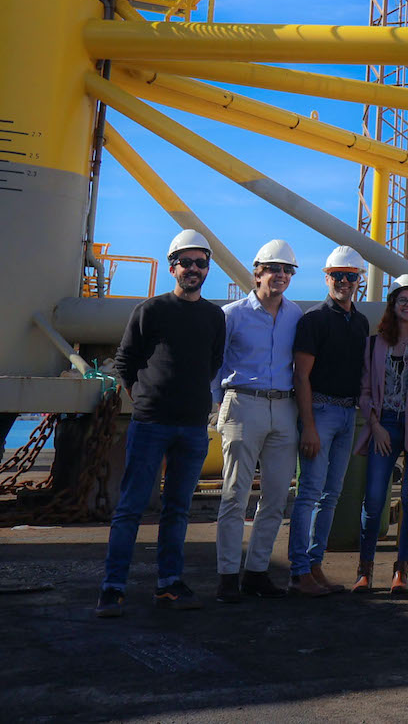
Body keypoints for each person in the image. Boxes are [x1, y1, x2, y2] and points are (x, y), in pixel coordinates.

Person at [96, 230, 227, 618]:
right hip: (151, 422)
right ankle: (112, 588)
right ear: (173, 267)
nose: (193, 269)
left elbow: (213, 362)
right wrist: (143, 397)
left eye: (200, 263)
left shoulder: (214, 316)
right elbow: (125, 359)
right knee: (131, 507)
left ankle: (169, 584)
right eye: (186, 262)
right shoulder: (151, 310)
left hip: (191, 426)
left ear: (207, 269)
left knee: (178, 510)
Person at [213, 238, 303, 604]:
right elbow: (214, 363)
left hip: (284, 407)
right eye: (273, 269)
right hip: (243, 404)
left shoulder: (296, 315)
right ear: (257, 273)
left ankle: (257, 573)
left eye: (287, 270)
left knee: (277, 496)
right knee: (234, 495)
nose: (280, 275)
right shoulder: (231, 314)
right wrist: (219, 407)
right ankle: (227, 577)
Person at [288, 245, 372, 597]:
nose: (344, 282)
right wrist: (308, 425)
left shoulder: (361, 322)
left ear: (359, 281)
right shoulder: (313, 320)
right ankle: (299, 571)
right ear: (326, 277)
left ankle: (315, 564)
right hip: (320, 412)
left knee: (331, 494)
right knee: (309, 493)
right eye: (338, 275)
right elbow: (301, 376)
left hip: (347, 414)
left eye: (351, 276)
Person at [353, 275, 408, 595]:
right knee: (373, 500)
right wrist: (375, 426)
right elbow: (364, 389)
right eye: (403, 300)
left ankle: (401, 570)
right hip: (384, 425)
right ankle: (365, 569)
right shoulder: (375, 344)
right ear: (393, 304)